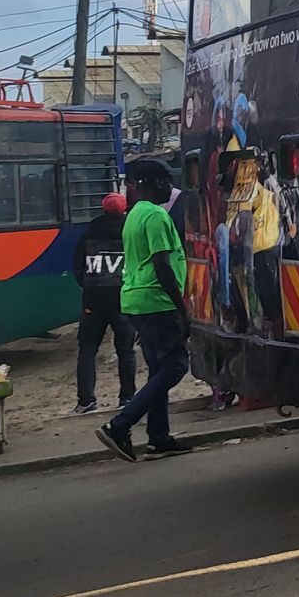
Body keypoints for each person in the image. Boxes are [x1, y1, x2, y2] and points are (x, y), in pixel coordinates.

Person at [98, 159, 193, 462]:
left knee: (158, 370)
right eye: (163, 182)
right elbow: (162, 265)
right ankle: (120, 425)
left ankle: (159, 438)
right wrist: (182, 309)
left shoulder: (134, 215)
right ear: (144, 184)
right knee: (176, 366)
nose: (169, 187)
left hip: (137, 301)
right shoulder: (154, 215)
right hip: (157, 300)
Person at [69, 192, 137, 416]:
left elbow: (78, 267)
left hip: (93, 300)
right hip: (123, 299)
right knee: (126, 350)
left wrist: (88, 286)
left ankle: (86, 401)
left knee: (87, 349)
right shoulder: (131, 233)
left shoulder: (88, 234)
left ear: (103, 209)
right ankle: (127, 398)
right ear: (124, 209)